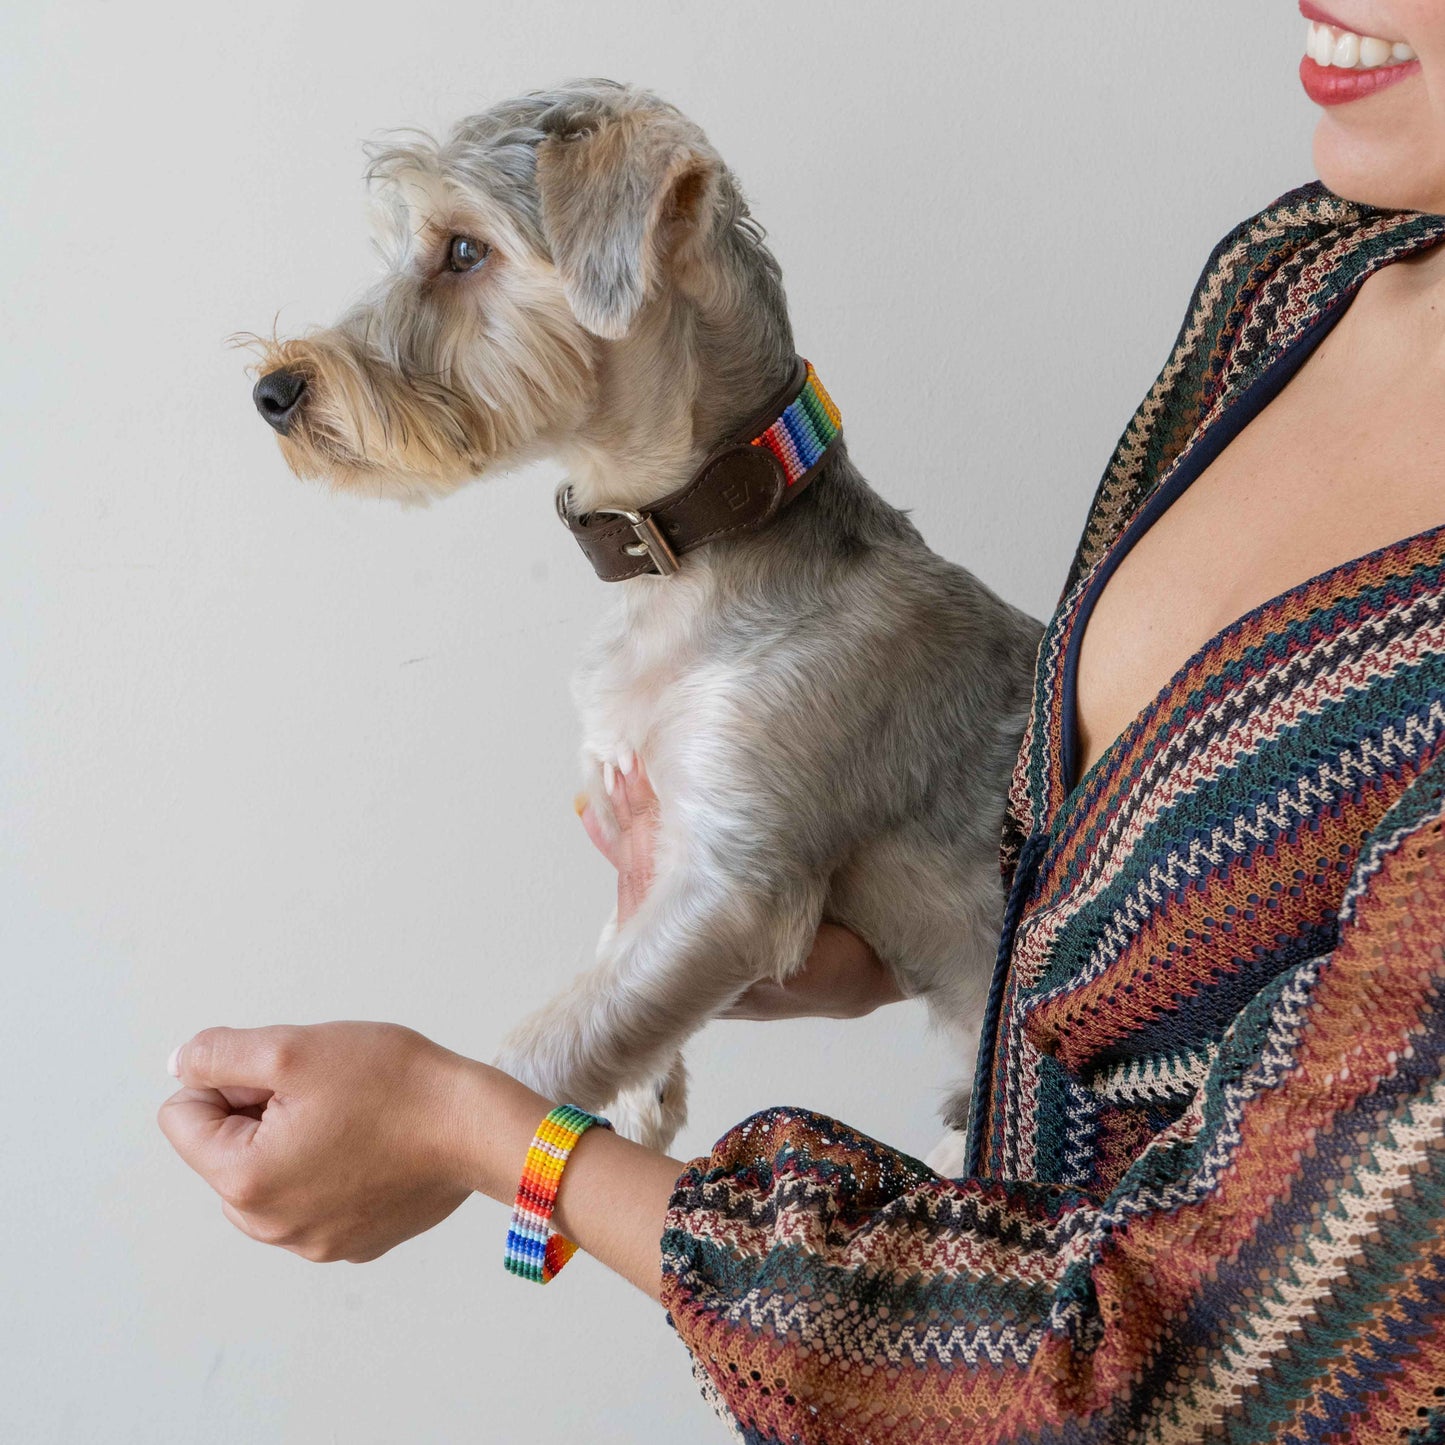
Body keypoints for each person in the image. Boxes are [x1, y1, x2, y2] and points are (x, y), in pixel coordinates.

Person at [158, 7, 1445, 1438]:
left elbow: (1186, 1356)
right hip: (1006, 1205)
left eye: (462, 257)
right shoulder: (1295, 275)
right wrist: (925, 909)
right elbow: (1186, 847)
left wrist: (478, 1135)